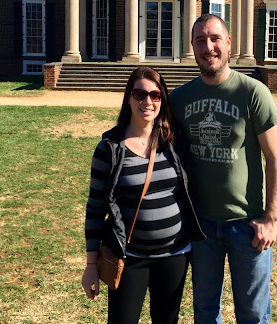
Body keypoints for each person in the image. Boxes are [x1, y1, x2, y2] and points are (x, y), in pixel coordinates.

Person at [169, 14, 277, 324]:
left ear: (229, 42)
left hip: (247, 225)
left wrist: (271, 218)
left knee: (253, 315)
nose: (208, 47)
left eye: (215, 38)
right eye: (200, 40)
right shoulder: (179, 99)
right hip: (201, 225)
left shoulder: (253, 93)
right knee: (205, 313)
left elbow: (275, 157)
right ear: (192, 46)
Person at [81, 67, 204, 324]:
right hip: (130, 258)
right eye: (139, 94)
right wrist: (91, 266)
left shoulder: (175, 142)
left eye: (155, 95)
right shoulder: (110, 149)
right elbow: (95, 209)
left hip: (175, 255)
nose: (147, 101)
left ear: (162, 100)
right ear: (128, 98)